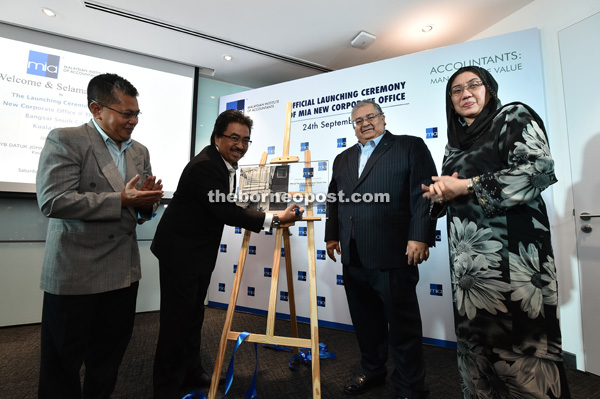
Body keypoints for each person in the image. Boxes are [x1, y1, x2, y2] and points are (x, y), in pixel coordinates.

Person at [422, 66, 571, 398]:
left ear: (489, 89)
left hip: (514, 263)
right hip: (470, 274)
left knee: (521, 357)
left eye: (473, 85)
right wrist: (440, 195)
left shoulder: (513, 117)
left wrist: (467, 185)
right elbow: (456, 192)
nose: (465, 94)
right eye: (456, 90)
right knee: (478, 360)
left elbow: (540, 171)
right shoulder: (454, 144)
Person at [150, 109, 303, 399]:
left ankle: (191, 372)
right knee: (176, 322)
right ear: (218, 137)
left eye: (246, 140)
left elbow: (224, 206)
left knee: (193, 316)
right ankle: (166, 388)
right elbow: (224, 211)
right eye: (234, 138)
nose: (241, 146)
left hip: (196, 251)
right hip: (180, 252)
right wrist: (274, 218)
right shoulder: (206, 166)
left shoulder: (221, 164)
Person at [35, 73, 164, 398]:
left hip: (122, 274)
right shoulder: (66, 139)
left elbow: (139, 210)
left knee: (108, 359)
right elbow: (52, 200)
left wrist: (148, 202)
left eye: (136, 114)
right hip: (75, 273)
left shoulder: (140, 151)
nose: (133, 121)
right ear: (96, 108)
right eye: (126, 114)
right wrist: (121, 199)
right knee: (62, 364)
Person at [325, 99, 437, 399]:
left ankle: (410, 387)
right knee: (365, 322)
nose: (365, 123)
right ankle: (373, 370)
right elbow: (334, 199)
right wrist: (331, 236)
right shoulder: (342, 158)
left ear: (383, 118)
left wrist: (420, 236)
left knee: (402, 327)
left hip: (393, 252)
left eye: (370, 116)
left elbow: (424, 194)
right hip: (353, 253)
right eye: (358, 120)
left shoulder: (410, 146)